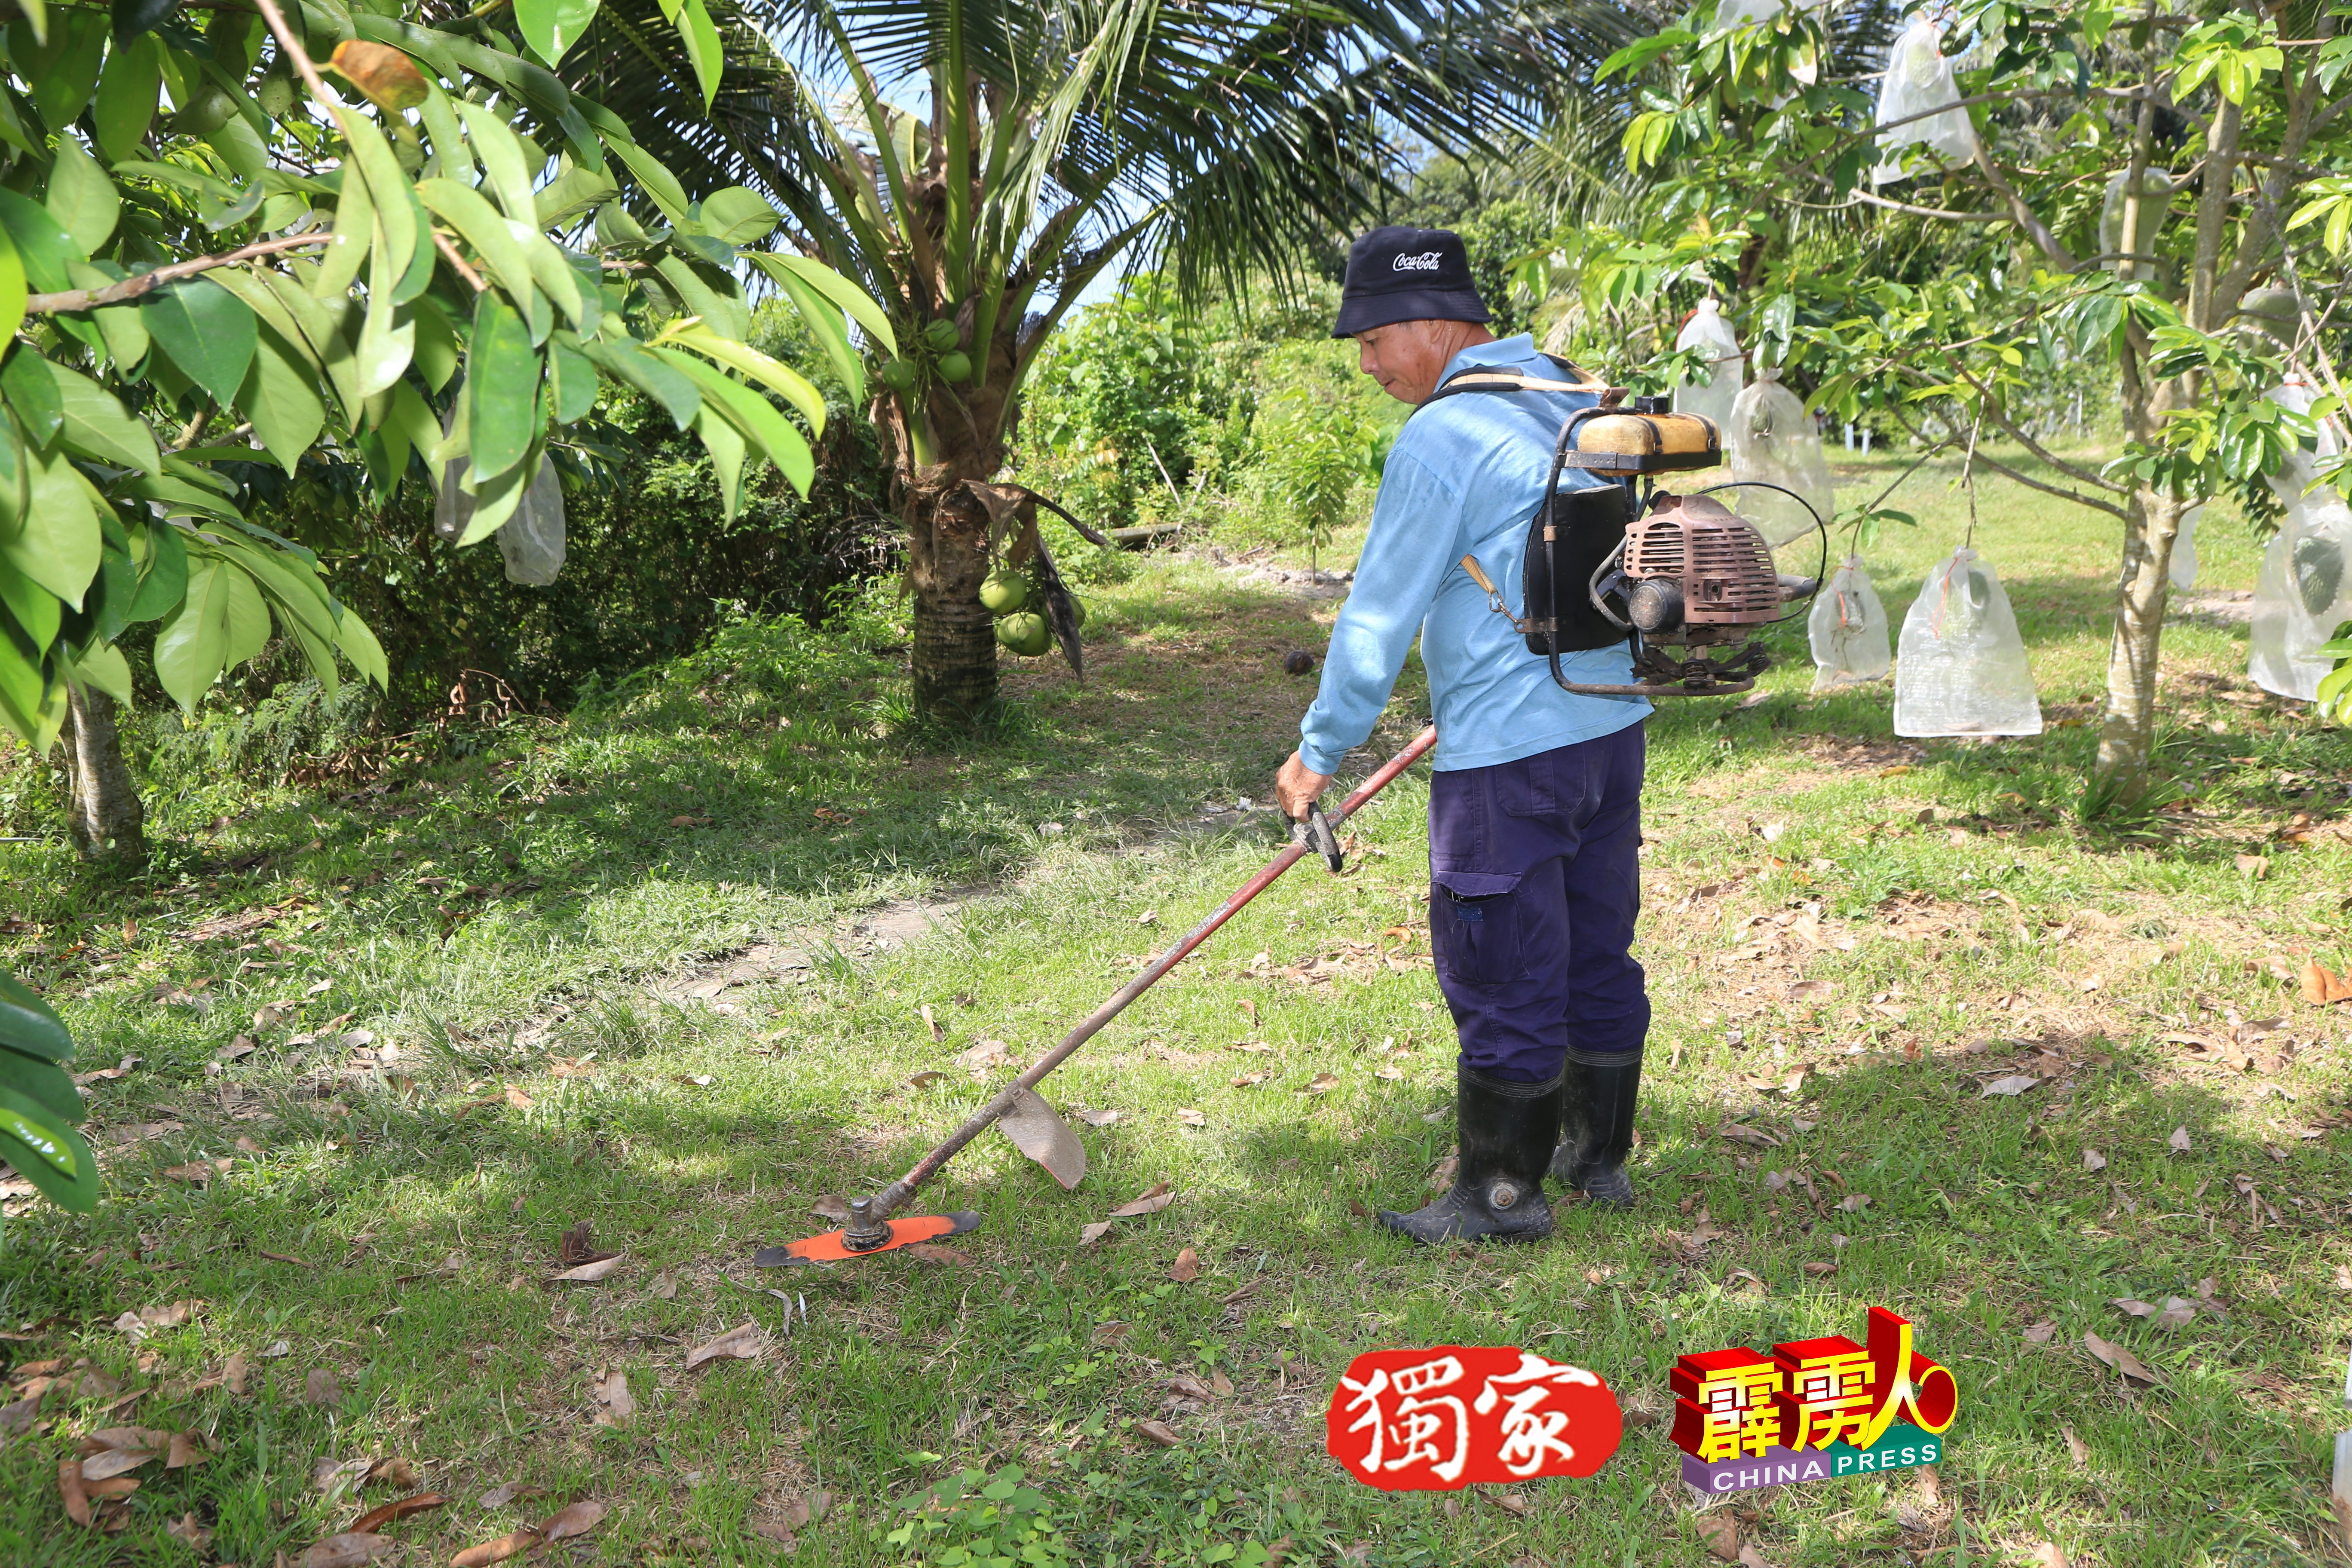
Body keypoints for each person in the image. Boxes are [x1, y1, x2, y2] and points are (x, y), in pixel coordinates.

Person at [1272, 226, 1652, 1245]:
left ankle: (1499, 1197)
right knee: (1596, 949)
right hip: (1610, 732)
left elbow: (1376, 619)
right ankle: (1599, 1160)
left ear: (1432, 324)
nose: (1364, 363)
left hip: (1510, 760)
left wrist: (1319, 753)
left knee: (1503, 965)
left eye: (1371, 339)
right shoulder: (1576, 395)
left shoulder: (1443, 435)